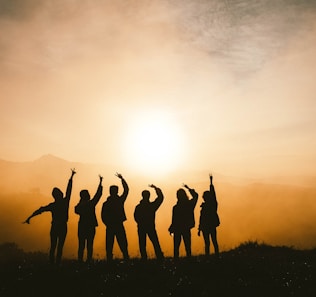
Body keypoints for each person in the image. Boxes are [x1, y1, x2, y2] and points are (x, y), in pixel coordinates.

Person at [23, 168, 76, 265]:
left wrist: (29, 217)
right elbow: (69, 190)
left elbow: (40, 210)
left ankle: (52, 264)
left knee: (53, 246)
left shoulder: (53, 205)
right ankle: (57, 265)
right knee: (59, 247)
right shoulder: (65, 202)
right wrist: (71, 177)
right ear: (60, 194)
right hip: (62, 226)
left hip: (55, 226)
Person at [75, 174, 103, 263]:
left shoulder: (79, 205)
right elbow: (98, 195)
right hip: (90, 226)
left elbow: (76, 210)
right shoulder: (90, 204)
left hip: (82, 226)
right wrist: (100, 183)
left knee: (81, 245)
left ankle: (80, 261)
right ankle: (89, 260)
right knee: (89, 245)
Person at [101, 173, 129, 261]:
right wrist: (122, 179)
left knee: (110, 244)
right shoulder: (119, 201)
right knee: (122, 244)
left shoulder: (107, 203)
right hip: (117, 225)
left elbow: (103, 216)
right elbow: (126, 190)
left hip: (110, 226)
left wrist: (107, 223)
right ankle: (126, 259)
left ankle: (110, 260)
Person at [134, 184, 164, 260]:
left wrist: (140, 223)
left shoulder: (139, 207)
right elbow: (160, 198)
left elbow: (136, 217)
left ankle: (144, 259)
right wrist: (156, 188)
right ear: (148, 196)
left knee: (142, 244)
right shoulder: (152, 206)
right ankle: (160, 257)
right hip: (150, 227)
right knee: (155, 243)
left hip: (142, 227)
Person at [168, 184, 198, 259]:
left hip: (177, 229)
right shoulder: (189, 204)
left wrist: (172, 228)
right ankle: (189, 261)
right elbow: (196, 196)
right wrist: (188, 188)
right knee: (187, 247)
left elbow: (174, 220)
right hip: (186, 228)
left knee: (176, 247)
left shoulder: (176, 207)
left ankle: (176, 262)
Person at [198, 174, 220, 256]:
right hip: (210, 225)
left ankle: (208, 257)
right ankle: (216, 256)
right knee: (213, 241)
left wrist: (211, 182)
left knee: (209, 243)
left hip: (206, 226)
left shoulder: (211, 204)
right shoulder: (212, 204)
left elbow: (213, 193)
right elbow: (201, 218)